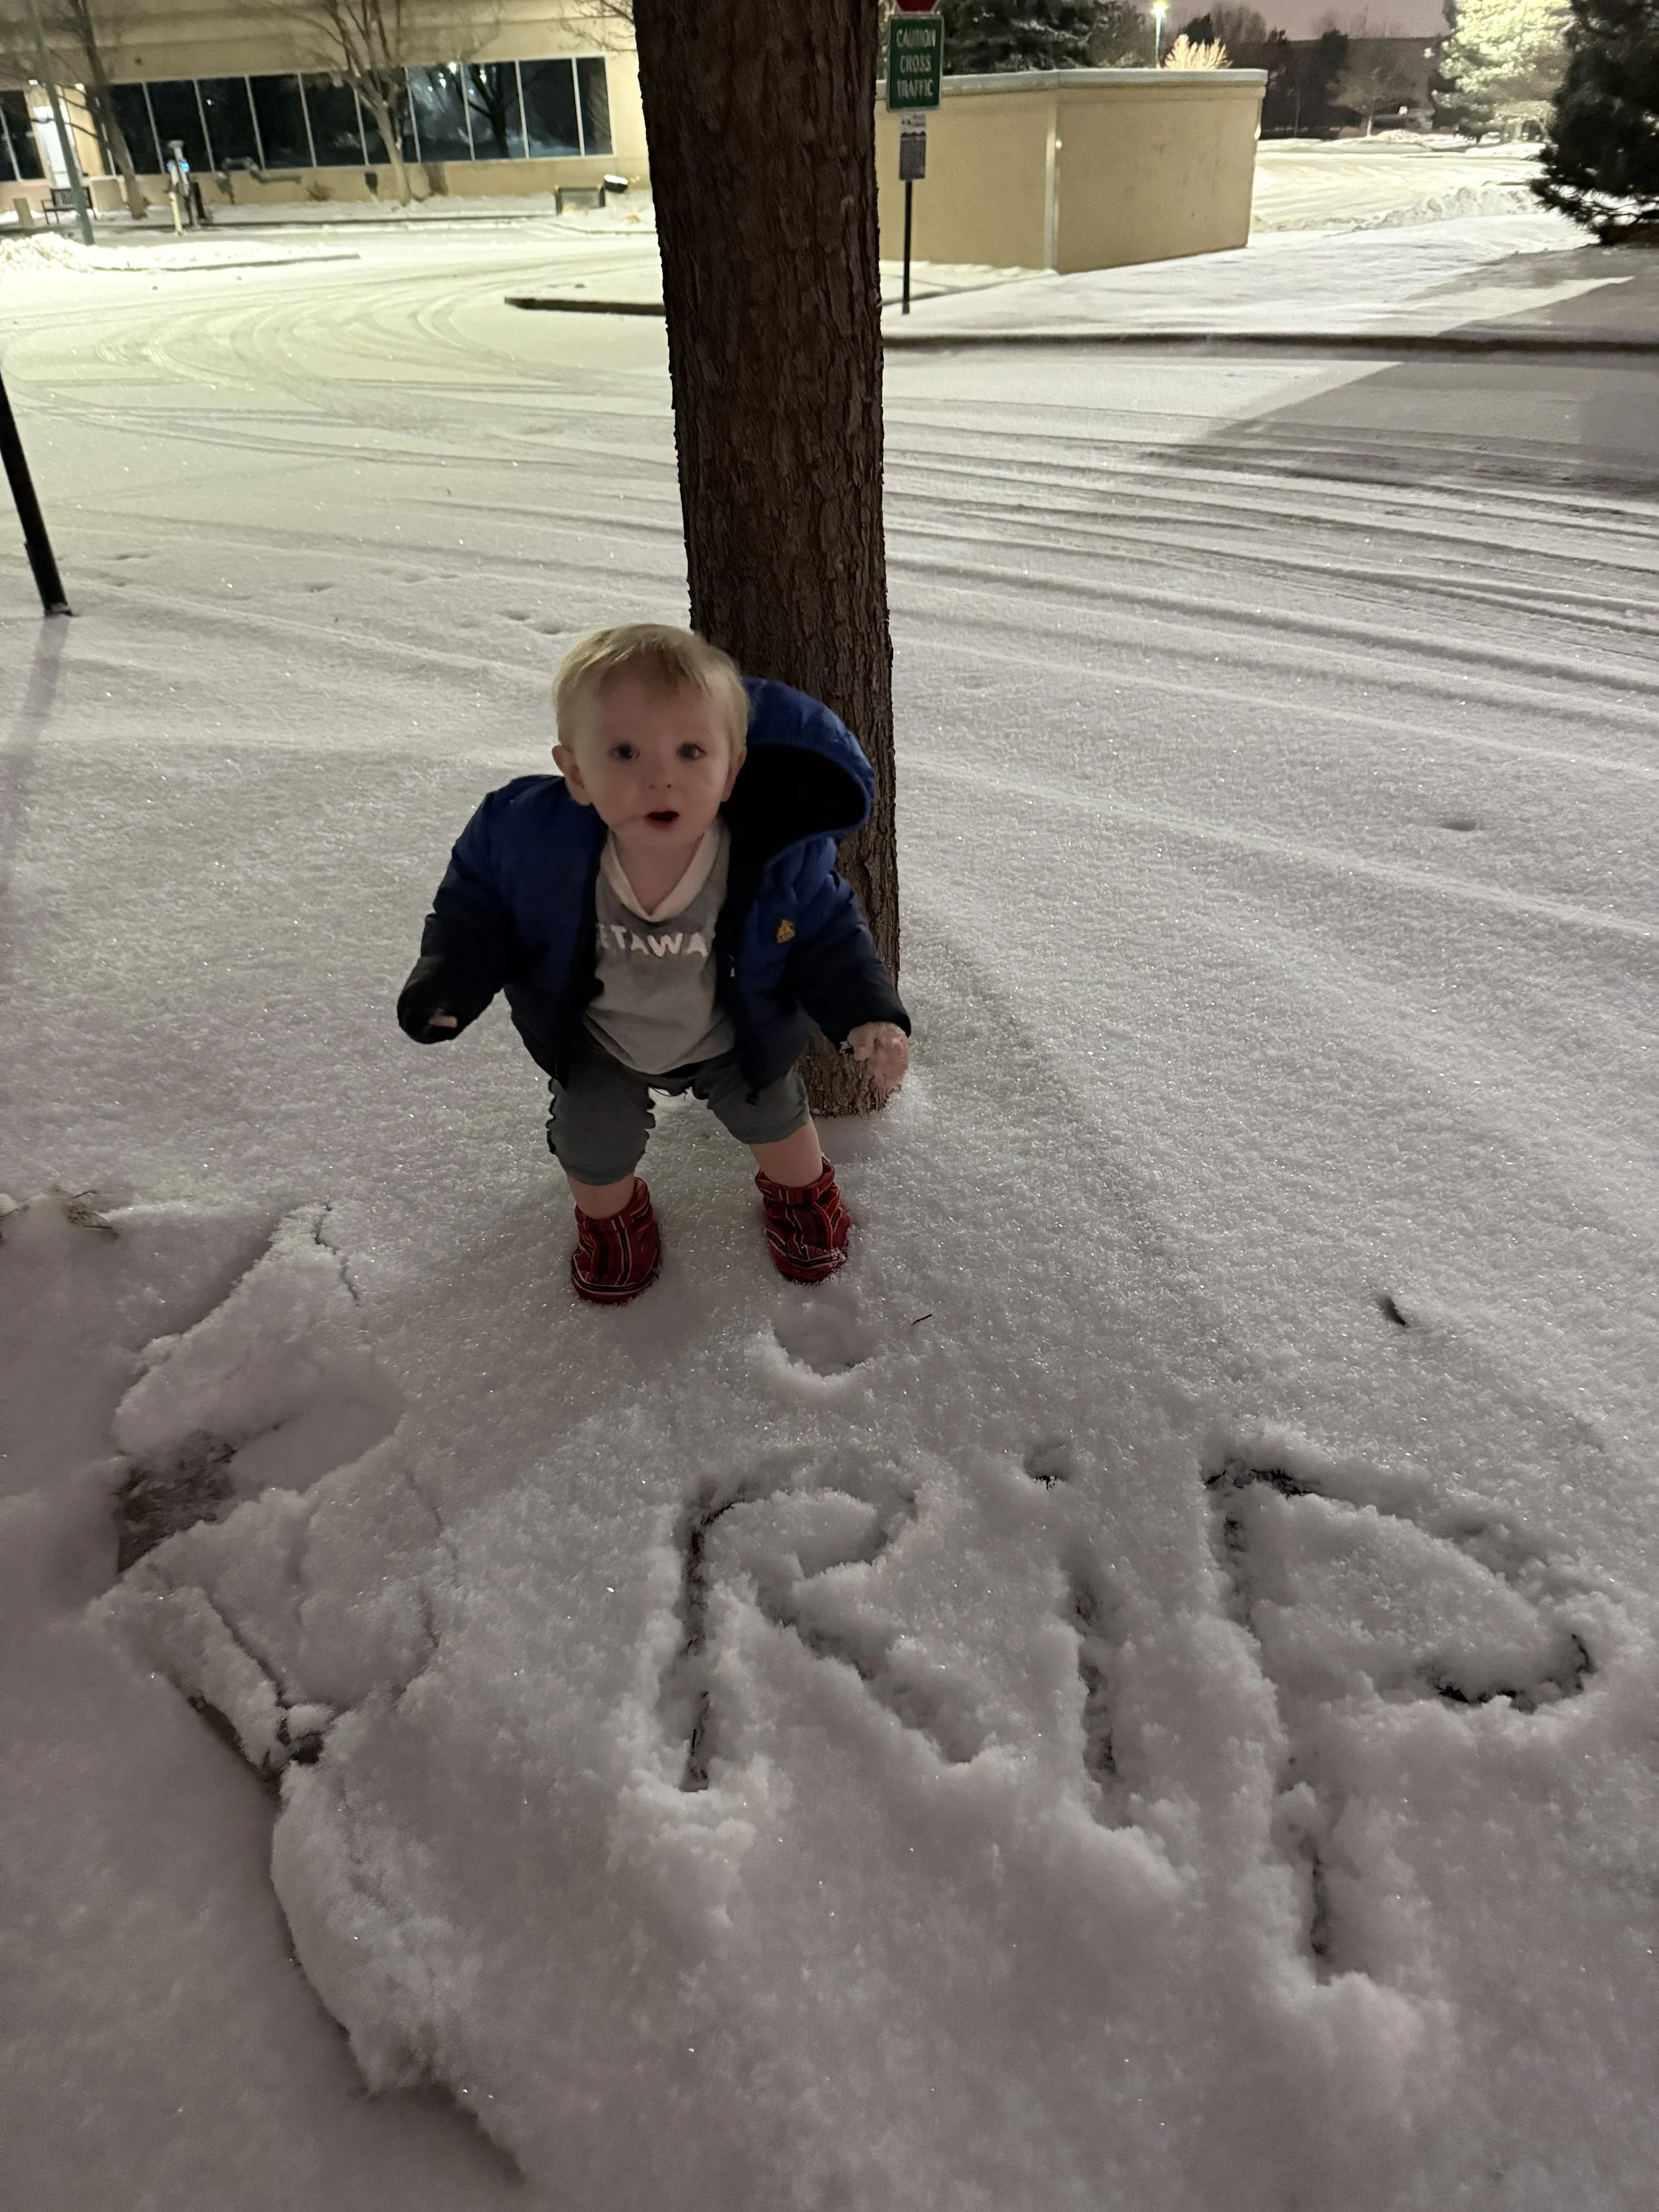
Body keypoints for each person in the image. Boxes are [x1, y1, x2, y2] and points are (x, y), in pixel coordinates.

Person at [397, 624, 910, 1305]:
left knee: (780, 1124)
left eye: (690, 751)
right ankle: (611, 1222)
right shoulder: (528, 844)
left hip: (733, 1037)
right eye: (624, 752)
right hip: (601, 1043)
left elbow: (828, 935)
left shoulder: (771, 859)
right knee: (590, 1146)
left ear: (731, 771)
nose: (659, 776)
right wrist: (449, 981)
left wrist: (867, 1012)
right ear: (576, 772)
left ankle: (801, 1198)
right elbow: (475, 913)